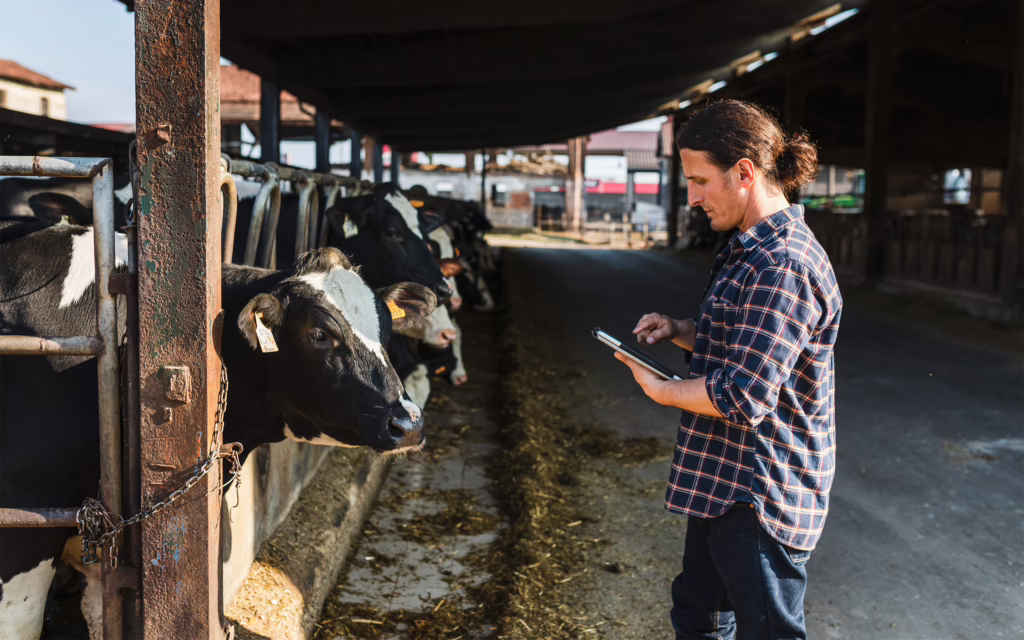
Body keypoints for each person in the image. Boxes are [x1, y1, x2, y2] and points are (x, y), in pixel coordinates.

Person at [614, 99, 842, 640]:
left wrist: (663, 389)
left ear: (744, 173)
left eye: (699, 181)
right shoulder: (749, 248)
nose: (691, 197)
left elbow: (743, 395)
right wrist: (680, 328)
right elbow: (749, 343)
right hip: (723, 482)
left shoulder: (782, 262)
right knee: (699, 617)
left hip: (758, 492)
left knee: (767, 631)